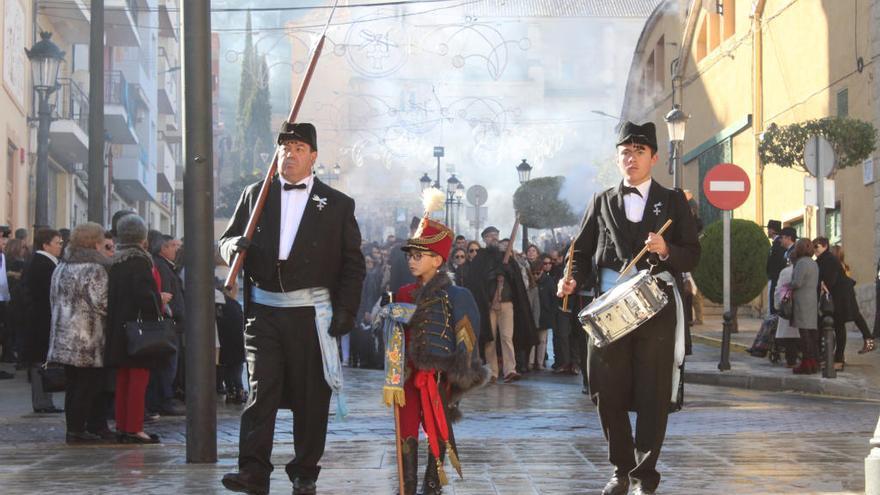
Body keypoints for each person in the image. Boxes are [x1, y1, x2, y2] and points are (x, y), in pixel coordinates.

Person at [219, 121, 365, 495]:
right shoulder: (257, 195)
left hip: (312, 316)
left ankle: (304, 471)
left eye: (299, 148)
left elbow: (353, 264)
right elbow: (227, 239)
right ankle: (253, 471)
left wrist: (346, 310)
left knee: (311, 396)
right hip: (263, 313)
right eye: (284, 147)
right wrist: (233, 247)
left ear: (313, 156)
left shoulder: (336, 204)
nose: (290, 154)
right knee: (260, 392)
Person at [558, 121, 700, 495]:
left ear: (653, 157)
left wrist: (666, 250)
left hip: (657, 308)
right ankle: (620, 470)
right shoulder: (601, 200)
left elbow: (693, 255)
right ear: (618, 158)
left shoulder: (673, 202)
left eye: (639, 151)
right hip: (609, 309)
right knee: (606, 390)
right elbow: (581, 253)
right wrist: (571, 277)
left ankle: (643, 477)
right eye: (625, 152)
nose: (631, 158)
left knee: (653, 391)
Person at [390, 210, 485, 495]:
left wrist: (457, 373)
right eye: (410, 255)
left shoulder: (457, 295)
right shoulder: (403, 293)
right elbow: (395, 335)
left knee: (437, 429)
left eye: (419, 255)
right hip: (406, 374)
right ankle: (406, 488)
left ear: (437, 260)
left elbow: (466, 337)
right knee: (405, 429)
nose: (412, 260)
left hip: (437, 376)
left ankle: (432, 485)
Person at [46, 223, 113, 443]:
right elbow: (103, 303)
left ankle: (74, 428)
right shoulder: (94, 268)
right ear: (95, 242)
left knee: (74, 386)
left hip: (64, 336)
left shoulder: (62, 266)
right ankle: (78, 430)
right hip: (87, 338)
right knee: (87, 386)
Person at [104, 215, 164, 444]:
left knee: (123, 379)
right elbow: (145, 296)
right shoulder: (140, 261)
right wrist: (158, 305)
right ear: (142, 236)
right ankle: (134, 427)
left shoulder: (115, 261)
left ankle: (122, 424)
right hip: (137, 329)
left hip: (118, 327)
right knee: (139, 379)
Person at [22, 228, 64, 413]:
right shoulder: (43, 264)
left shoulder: (42, 262)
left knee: (42, 359)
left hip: (39, 319)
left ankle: (45, 401)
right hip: (42, 320)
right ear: (46, 244)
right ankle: (42, 402)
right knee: (41, 361)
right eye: (58, 243)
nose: (60, 246)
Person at [814, 239, 873, 369]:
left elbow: (830, 279)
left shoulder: (828, 260)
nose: (814, 249)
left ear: (825, 246)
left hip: (841, 295)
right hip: (841, 294)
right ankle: (841, 356)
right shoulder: (824, 259)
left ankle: (839, 359)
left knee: (840, 324)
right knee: (844, 321)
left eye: (816, 246)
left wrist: (824, 288)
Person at [148, 233, 186, 416]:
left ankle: (164, 397)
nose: (176, 249)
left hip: (174, 321)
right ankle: (163, 398)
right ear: (163, 248)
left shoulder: (168, 266)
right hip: (169, 321)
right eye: (172, 245)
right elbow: (165, 293)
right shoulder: (162, 266)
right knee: (167, 364)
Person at [789, 239, 819, 374]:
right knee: (811, 333)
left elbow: (797, 283)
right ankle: (813, 362)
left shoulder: (801, 263)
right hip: (812, 299)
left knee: (804, 334)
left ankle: (806, 363)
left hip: (802, 300)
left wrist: (789, 284)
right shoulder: (813, 263)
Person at [773, 260, 800, 368]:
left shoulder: (785, 272)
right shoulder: (809, 269)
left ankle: (791, 360)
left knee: (789, 336)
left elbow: (778, 289)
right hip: (802, 306)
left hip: (787, 306)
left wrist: (777, 305)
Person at [766, 220, 786, 315]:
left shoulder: (778, 244)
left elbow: (777, 261)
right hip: (774, 277)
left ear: (772, 230)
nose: (767, 231)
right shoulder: (776, 243)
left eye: (768, 229)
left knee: (773, 304)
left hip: (776, 277)